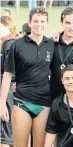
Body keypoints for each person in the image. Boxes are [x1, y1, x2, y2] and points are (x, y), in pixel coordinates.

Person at [0, 7, 54, 147]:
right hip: (21, 101)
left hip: (44, 103)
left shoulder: (51, 44)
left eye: (42, 21)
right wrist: (1, 104)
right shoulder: (17, 44)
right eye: (35, 21)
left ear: (46, 23)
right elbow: (7, 75)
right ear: (29, 23)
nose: (39, 24)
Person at [0, 15, 19, 147]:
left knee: (6, 134)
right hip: (9, 92)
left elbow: (10, 72)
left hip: (8, 92)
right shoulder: (8, 43)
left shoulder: (10, 43)